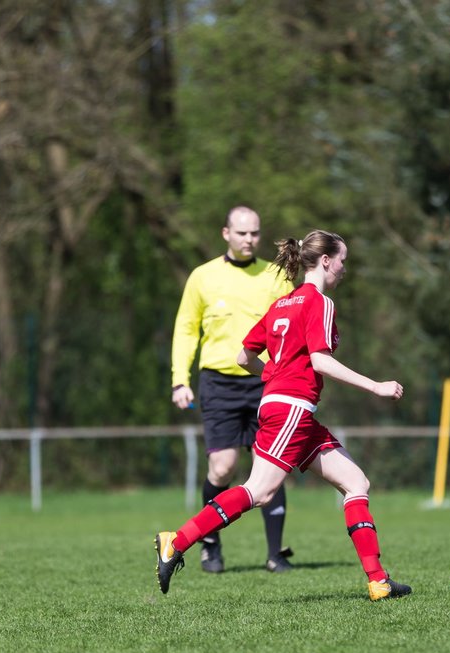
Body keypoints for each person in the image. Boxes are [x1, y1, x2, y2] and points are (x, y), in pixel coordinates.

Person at [155, 229, 412, 601]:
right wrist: (376, 386)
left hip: (291, 411)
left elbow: (243, 357)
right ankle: (175, 541)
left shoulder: (282, 304)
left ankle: (378, 581)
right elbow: (320, 360)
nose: (344, 269)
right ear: (326, 261)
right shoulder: (319, 303)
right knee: (258, 490)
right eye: (343, 261)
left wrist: (272, 376)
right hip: (291, 408)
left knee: (357, 483)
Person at [171, 206, 296, 574]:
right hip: (219, 383)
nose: (249, 240)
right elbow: (186, 329)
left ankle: (275, 553)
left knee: (270, 470)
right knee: (223, 468)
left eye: (255, 233)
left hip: (266, 382)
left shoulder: (276, 276)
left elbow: (294, 325)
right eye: (242, 233)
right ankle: (210, 544)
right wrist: (181, 379)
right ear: (226, 233)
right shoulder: (203, 277)